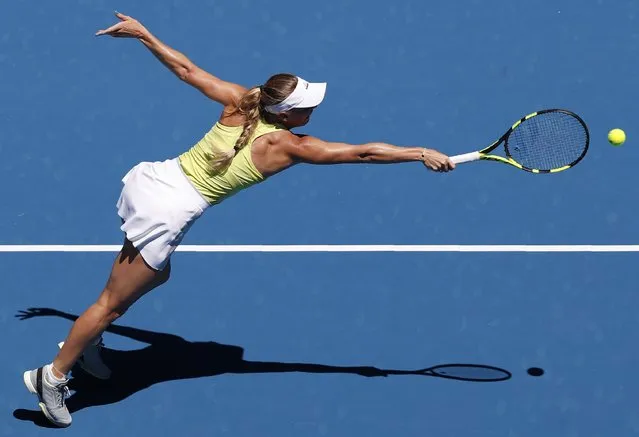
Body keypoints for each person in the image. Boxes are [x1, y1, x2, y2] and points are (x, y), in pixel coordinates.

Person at [22, 12, 455, 427]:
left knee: (155, 276)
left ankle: (88, 343)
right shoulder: (289, 145)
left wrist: (143, 34)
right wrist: (419, 153)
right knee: (110, 303)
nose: (313, 112)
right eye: (307, 106)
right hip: (167, 210)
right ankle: (54, 376)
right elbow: (361, 152)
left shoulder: (240, 101)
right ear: (285, 114)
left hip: (157, 181)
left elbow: (188, 71)